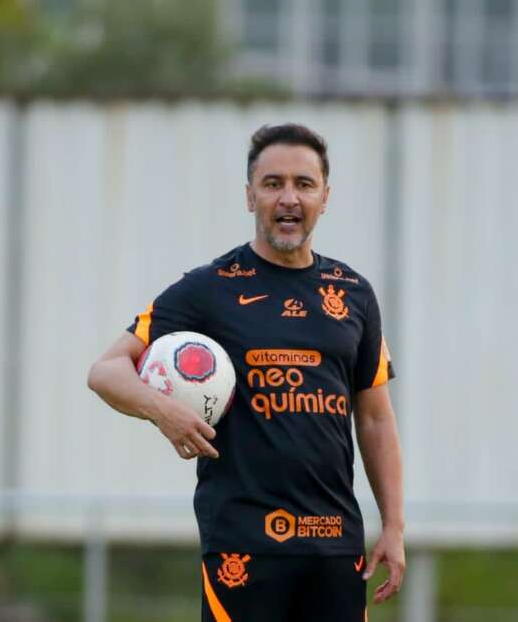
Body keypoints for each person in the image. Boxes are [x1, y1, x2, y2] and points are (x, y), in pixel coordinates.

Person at [87, 123, 405, 621]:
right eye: (273, 183)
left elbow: (375, 419)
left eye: (304, 184)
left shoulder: (353, 294)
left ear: (325, 197)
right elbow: (106, 370)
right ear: (249, 195)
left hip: (334, 545)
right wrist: (165, 411)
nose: (289, 198)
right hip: (243, 543)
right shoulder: (208, 289)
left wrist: (394, 526)